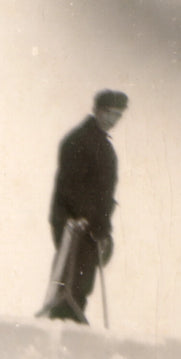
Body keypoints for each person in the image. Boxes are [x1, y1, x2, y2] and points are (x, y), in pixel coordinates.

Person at [44, 89, 127, 323]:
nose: (113, 121)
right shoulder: (79, 140)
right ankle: (63, 321)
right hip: (74, 223)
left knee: (83, 281)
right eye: (110, 113)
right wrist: (89, 221)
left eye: (118, 116)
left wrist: (104, 230)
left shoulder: (103, 145)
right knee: (70, 279)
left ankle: (70, 320)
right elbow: (72, 187)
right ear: (97, 110)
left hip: (92, 226)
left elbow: (104, 194)